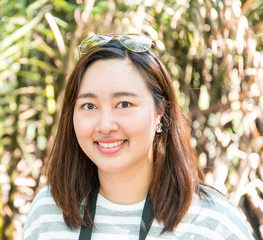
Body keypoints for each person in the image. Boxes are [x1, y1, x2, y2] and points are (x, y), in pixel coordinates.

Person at [22, 33, 254, 240]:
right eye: (89, 106)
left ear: (160, 111)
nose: (105, 125)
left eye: (124, 104)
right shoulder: (49, 210)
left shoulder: (212, 222)